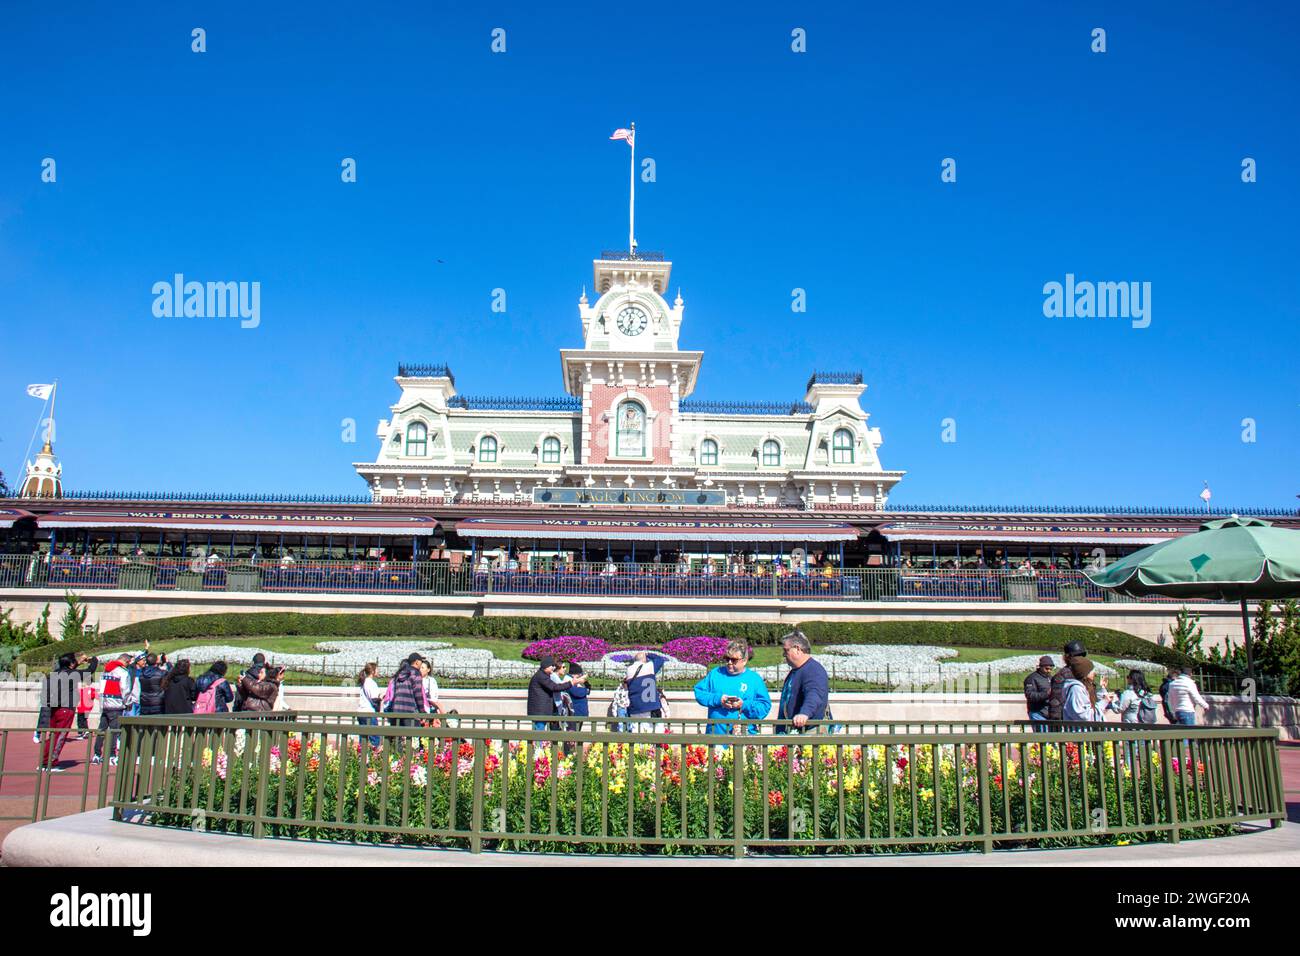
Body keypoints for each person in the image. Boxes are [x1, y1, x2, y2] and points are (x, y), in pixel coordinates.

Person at [693, 640, 772, 735]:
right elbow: (699, 693)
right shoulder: (715, 674)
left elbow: (764, 707)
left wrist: (743, 705)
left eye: (734, 660)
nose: (729, 662)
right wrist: (719, 700)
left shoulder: (754, 679)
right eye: (727, 659)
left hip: (744, 737)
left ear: (744, 661)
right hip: (716, 736)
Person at [776, 630, 829, 734]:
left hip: (809, 731)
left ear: (797, 649)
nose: (783, 654)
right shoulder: (796, 671)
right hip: (793, 731)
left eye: (786, 650)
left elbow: (815, 694)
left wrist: (804, 713)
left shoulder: (813, 670)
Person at [39, 653, 80, 770]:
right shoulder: (72, 674)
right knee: (60, 736)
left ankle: (45, 761)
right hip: (66, 708)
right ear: (71, 664)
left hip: (54, 707)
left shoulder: (53, 674)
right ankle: (50, 762)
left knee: (52, 735)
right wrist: (93, 660)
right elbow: (90, 670)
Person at [527, 656, 583, 731]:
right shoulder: (541, 676)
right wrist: (571, 683)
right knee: (539, 732)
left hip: (541, 710)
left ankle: (540, 742)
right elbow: (555, 687)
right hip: (539, 711)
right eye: (552, 666)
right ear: (546, 666)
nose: (554, 667)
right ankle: (538, 743)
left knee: (540, 731)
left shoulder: (543, 675)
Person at [1047, 641, 1088, 721]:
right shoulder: (1061, 676)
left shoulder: (1086, 674)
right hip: (1069, 723)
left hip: (1083, 720)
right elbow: (1056, 704)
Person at [384, 654, 428, 726]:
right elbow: (418, 694)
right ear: (416, 662)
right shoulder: (416, 673)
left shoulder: (400, 673)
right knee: (410, 734)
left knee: (397, 735)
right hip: (409, 710)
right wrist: (422, 711)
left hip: (396, 709)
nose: (421, 663)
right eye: (421, 661)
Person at [625, 651, 664, 730]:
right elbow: (660, 659)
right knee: (656, 733)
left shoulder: (629, 670)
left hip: (635, 708)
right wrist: (648, 654)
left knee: (637, 735)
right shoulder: (649, 666)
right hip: (651, 707)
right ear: (645, 659)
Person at [1061, 658, 1107, 723]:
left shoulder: (1085, 687)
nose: (1095, 674)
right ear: (1085, 674)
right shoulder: (1076, 690)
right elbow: (1083, 716)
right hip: (1079, 731)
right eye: (1092, 671)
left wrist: (1103, 691)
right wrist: (1104, 702)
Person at [1023, 655, 1054, 730]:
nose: (1049, 671)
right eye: (1047, 669)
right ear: (1040, 667)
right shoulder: (1031, 678)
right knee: (1042, 738)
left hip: (1048, 713)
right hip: (1037, 712)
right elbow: (1030, 695)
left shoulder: (1050, 678)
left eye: (1051, 669)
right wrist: (1047, 694)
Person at [356, 662, 382, 747]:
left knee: (363, 737)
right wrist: (381, 698)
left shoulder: (364, 682)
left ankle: (361, 755)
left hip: (361, 712)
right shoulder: (371, 683)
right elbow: (374, 698)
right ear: (373, 671)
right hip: (369, 712)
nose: (378, 671)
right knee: (374, 737)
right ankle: (374, 756)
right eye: (377, 669)